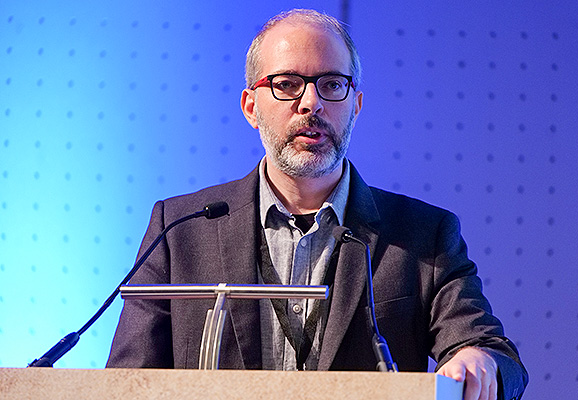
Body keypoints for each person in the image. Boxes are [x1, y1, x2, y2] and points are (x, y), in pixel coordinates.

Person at [107, 9, 528, 400]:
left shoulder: (421, 235)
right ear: (250, 107)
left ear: (356, 106)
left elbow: (498, 357)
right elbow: (128, 382)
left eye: (332, 85)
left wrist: (478, 359)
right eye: (286, 84)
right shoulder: (180, 229)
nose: (311, 103)